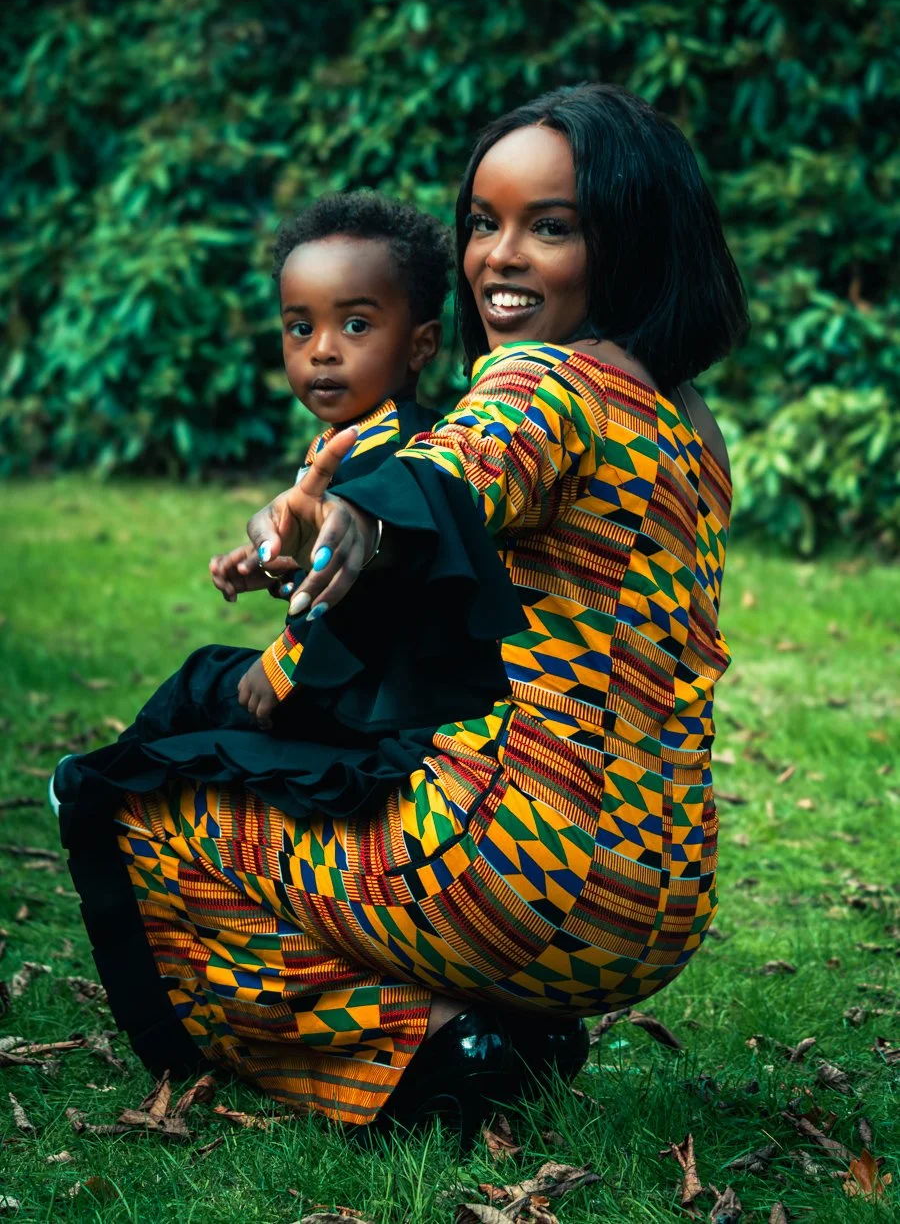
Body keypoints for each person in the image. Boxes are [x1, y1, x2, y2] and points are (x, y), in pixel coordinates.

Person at [59, 82, 749, 1149]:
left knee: (135, 808)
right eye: (485, 222)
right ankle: (510, 1027)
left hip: (515, 876)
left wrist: (362, 518)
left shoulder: (544, 383)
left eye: (551, 227)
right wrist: (346, 538)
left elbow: (454, 474)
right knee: (317, 754)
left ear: (634, 238)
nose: (499, 257)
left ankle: (420, 1055)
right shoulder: (690, 424)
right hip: (657, 901)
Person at [51, 190, 449, 814]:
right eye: (300, 326)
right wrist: (273, 564)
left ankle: (100, 789)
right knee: (209, 692)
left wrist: (283, 664)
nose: (322, 348)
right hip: (359, 690)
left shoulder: (391, 455)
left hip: (364, 704)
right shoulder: (368, 435)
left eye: (355, 325)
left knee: (200, 683)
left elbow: (381, 597)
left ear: (421, 344)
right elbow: (338, 561)